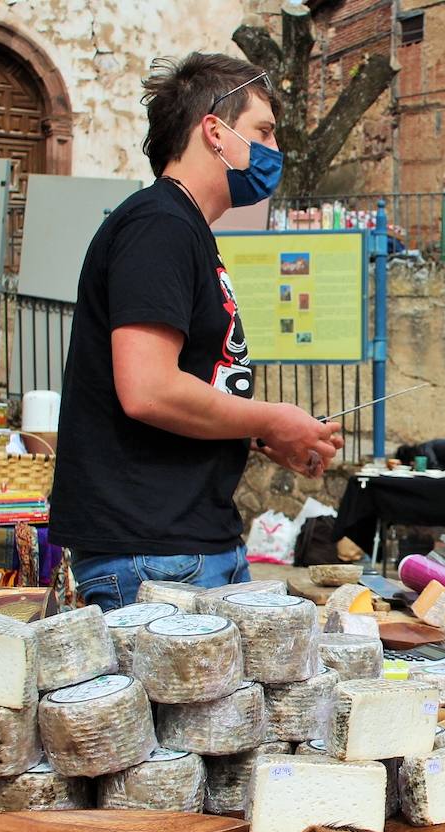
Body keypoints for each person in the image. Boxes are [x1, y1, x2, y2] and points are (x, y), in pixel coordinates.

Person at [49, 53, 342, 610]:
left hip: (189, 545)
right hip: (154, 555)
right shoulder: (159, 225)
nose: (275, 149)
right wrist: (271, 417)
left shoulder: (183, 228)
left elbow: (186, 389)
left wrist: (265, 437)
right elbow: (148, 390)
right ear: (215, 131)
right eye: (263, 131)